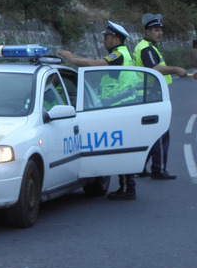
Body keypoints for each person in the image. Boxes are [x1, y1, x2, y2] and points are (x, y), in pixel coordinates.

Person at [59, 21, 138, 200]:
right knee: (119, 148)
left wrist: (72, 59)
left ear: (116, 39)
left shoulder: (118, 54)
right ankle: (126, 186)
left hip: (120, 107)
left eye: (106, 37)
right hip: (118, 107)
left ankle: (128, 188)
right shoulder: (121, 54)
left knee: (120, 149)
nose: (103, 41)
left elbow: (96, 64)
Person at [134, 13, 188, 180]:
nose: (160, 33)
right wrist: (176, 69)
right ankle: (159, 169)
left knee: (149, 134)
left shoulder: (147, 47)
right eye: (156, 30)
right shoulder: (147, 49)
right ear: (147, 32)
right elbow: (155, 68)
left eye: (161, 30)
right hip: (151, 95)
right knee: (161, 133)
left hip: (147, 95)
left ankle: (140, 167)